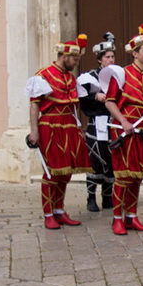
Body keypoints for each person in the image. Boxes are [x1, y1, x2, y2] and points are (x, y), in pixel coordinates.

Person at [25, 34, 92, 230]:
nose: (77, 62)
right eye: (75, 59)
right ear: (64, 56)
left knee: (66, 172)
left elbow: (73, 107)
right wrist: (33, 131)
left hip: (69, 127)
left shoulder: (71, 79)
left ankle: (59, 210)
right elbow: (34, 106)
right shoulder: (43, 75)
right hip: (50, 127)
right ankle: (48, 214)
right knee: (52, 172)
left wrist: (78, 128)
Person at [102, 25, 143, 234]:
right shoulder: (121, 74)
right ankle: (117, 218)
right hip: (125, 130)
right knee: (123, 176)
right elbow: (110, 102)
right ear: (134, 53)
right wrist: (124, 122)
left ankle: (132, 216)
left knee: (137, 176)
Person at [78, 33, 117, 214]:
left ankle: (107, 197)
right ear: (100, 60)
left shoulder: (118, 75)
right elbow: (83, 99)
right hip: (97, 122)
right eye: (107, 57)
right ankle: (91, 197)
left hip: (113, 123)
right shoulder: (89, 77)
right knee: (96, 159)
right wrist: (96, 96)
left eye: (112, 56)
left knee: (111, 159)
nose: (110, 59)